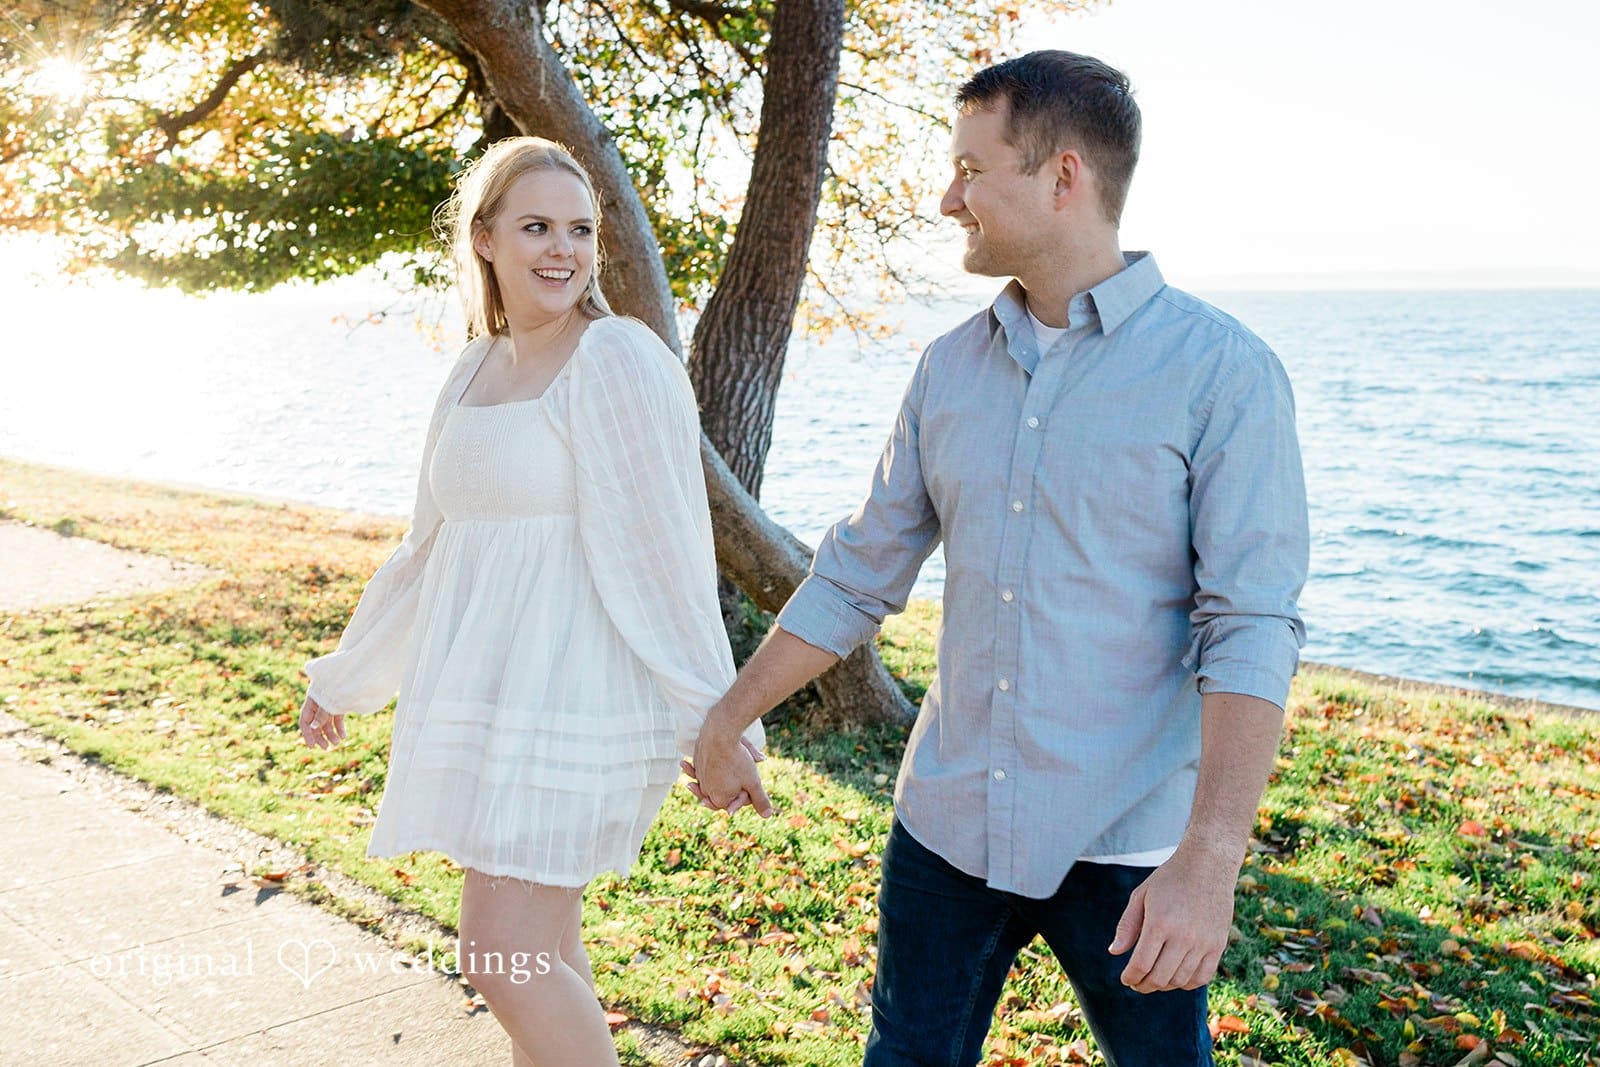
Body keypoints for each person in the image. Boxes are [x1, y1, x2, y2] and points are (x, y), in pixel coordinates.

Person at [684, 51, 1309, 1065]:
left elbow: (1248, 626)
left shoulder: (1222, 373)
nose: (946, 198)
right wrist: (729, 712)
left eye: (972, 171)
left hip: (1129, 843)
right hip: (946, 827)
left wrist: (1209, 858)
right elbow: (857, 572)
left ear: (1063, 177)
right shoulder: (948, 368)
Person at [296, 136, 763, 1067]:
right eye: (537, 226)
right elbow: (430, 546)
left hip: (573, 701)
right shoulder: (472, 369)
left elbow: (666, 553)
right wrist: (347, 674)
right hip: (486, 697)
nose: (564, 249)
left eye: (581, 230)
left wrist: (715, 721)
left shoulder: (617, 357)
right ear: (483, 239)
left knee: (501, 956)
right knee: (542, 952)